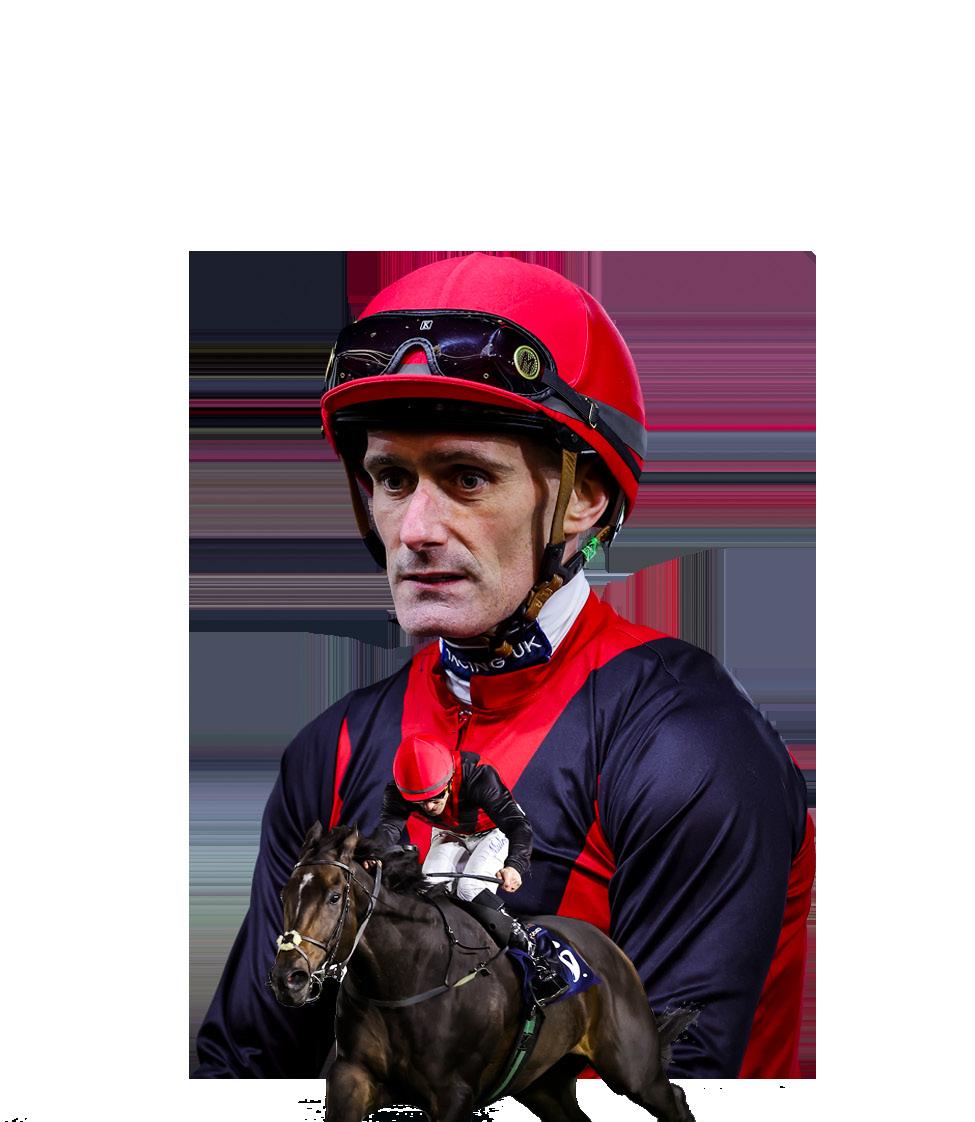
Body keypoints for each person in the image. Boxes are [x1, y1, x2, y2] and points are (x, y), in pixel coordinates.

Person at [194, 252, 815, 1080]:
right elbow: (245, 1071)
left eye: (467, 478)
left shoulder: (693, 749)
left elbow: (659, 1111)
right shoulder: (328, 753)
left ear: (584, 496)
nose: (416, 529)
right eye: (392, 478)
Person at [370, 733, 567, 1004]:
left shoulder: (478, 775)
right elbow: (389, 828)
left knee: (468, 887)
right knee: (430, 889)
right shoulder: (399, 791)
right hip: (450, 832)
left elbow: (517, 825)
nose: (429, 807)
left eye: (436, 797)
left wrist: (515, 866)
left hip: (494, 831)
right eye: (420, 802)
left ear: (450, 779)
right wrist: (373, 854)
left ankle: (536, 956)